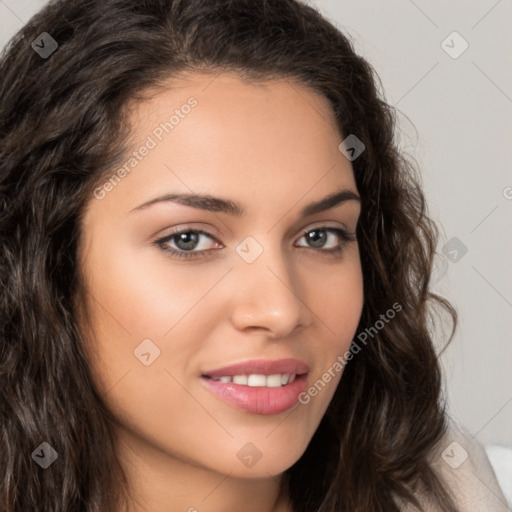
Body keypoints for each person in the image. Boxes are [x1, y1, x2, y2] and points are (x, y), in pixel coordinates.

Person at [0, 0, 508, 511]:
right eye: (189, 239)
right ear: (45, 263)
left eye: (319, 236)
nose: (280, 310)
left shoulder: (464, 492)